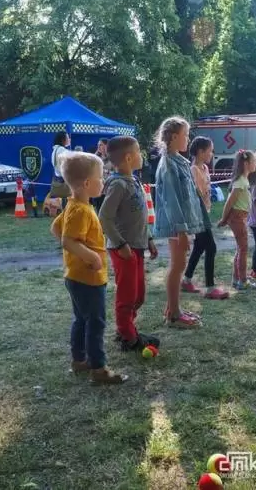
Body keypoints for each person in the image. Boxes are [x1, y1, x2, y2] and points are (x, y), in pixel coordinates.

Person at [51, 151, 127, 384]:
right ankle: (98, 368)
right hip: (88, 278)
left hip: (75, 275)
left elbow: (56, 229)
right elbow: (67, 240)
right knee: (95, 322)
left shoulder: (74, 205)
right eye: (100, 178)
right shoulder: (81, 210)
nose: (103, 181)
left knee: (81, 319)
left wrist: (77, 255)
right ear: (86, 183)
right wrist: (91, 256)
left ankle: (79, 360)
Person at [98, 136, 161, 352]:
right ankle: (128, 336)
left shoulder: (133, 180)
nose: (141, 155)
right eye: (138, 151)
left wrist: (149, 239)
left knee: (139, 295)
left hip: (138, 246)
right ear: (128, 157)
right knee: (127, 295)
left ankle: (126, 328)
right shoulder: (118, 185)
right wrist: (120, 244)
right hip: (124, 249)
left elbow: (139, 216)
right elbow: (104, 217)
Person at [154, 117, 205, 328]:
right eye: (186, 134)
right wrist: (181, 231)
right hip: (176, 225)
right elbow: (171, 201)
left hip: (181, 224)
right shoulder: (168, 164)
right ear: (174, 137)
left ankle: (172, 309)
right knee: (178, 265)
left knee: (179, 264)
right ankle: (174, 315)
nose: (188, 139)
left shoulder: (179, 161)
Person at [182, 137, 230, 299]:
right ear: (200, 151)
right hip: (198, 215)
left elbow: (206, 189)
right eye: (210, 151)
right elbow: (195, 195)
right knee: (211, 247)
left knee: (199, 246)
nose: (212, 154)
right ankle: (210, 289)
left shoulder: (205, 168)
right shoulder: (193, 170)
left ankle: (186, 280)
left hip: (205, 212)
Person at [217, 150, 256, 290]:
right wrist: (224, 218)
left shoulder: (244, 180)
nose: (255, 163)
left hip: (241, 217)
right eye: (253, 161)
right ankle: (242, 280)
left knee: (241, 248)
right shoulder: (240, 181)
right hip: (237, 217)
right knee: (243, 248)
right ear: (246, 164)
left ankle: (236, 278)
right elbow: (229, 202)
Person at [49, 132, 72, 203]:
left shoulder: (55, 150)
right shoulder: (62, 150)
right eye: (67, 137)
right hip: (65, 182)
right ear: (62, 140)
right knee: (67, 203)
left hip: (57, 180)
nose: (69, 139)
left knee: (61, 203)